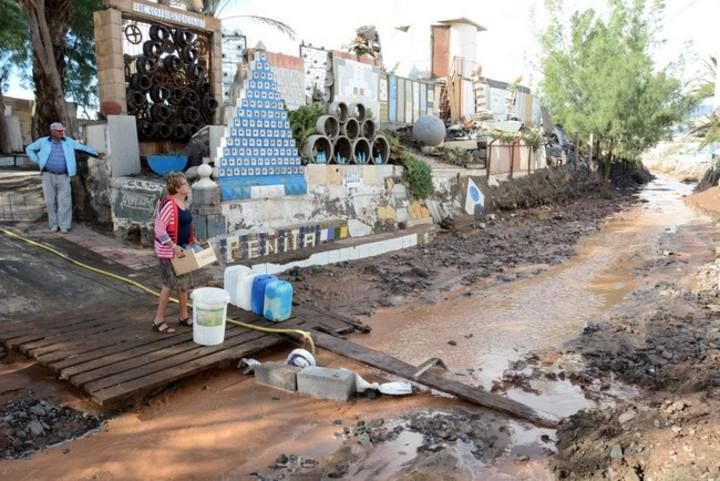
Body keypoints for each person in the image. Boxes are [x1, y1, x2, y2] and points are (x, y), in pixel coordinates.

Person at [25, 122, 103, 233]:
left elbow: (82, 147)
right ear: (52, 131)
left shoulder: (68, 142)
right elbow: (29, 149)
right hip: (48, 175)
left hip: (64, 175)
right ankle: (53, 224)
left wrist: (96, 154)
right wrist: (38, 161)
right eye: (58, 131)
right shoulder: (43, 142)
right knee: (50, 201)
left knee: (65, 201)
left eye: (62, 130)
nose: (61, 132)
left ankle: (64, 225)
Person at [152, 172, 195, 334]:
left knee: (183, 285)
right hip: (169, 252)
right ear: (177, 188)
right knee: (168, 285)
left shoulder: (183, 202)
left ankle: (183, 316)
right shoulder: (169, 204)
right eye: (185, 184)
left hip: (183, 250)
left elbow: (183, 224)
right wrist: (173, 245)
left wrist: (192, 239)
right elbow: (159, 228)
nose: (188, 186)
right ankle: (158, 320)